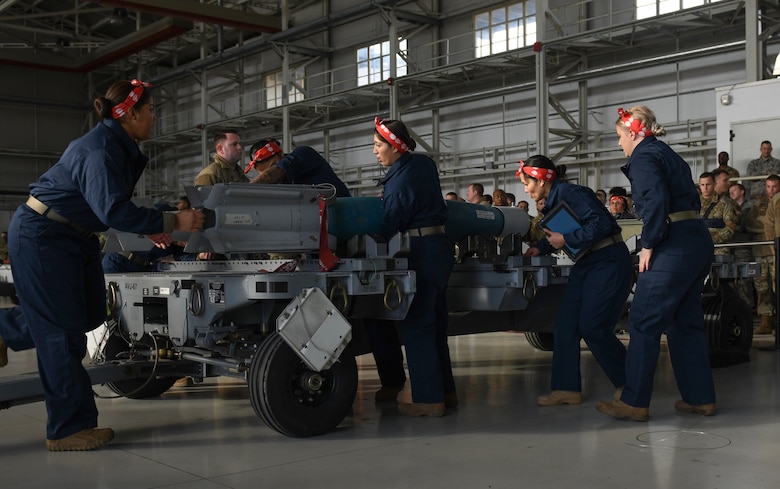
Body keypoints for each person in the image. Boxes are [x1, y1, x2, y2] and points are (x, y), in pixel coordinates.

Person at [0, 79, 204, 451]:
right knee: (61, 334)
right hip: (45, 234)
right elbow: (112, 209)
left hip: (72, 237)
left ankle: (4, 329)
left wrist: (151, 226)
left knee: (89, 313)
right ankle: (67, 428)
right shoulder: (100, 149)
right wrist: (173, 222)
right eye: (151, 110)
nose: (155, 117)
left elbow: (106, 205)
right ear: (131, 114)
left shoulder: (115, 145)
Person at [596, 106, 715, 422]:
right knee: (685, 322)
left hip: (670, 243)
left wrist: (648, 244)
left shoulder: (644, 157)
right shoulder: (666, 153)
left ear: (633, 132)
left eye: (620, 136)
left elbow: (657, 202)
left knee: (643, 321)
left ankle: (634, 401)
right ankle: (700, 398)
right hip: (696, 239)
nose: (619, 143)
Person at [519, 155, 631, 407]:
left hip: (607, 261)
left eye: (527, 183)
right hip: (586, 263)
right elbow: (563, 232)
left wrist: (566, 240)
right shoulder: (555, 200)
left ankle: (630, 385)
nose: (525, 189)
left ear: (540, 179)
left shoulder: (573, 192)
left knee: (593, 326)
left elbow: (601, 224)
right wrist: (541, 248)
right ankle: (566, 389)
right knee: (565, 323)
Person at [372, 117, 456, 417]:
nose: (375, 151)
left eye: (379, 145)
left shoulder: (400, 178)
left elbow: (391, 221)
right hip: (439, 247)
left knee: (417, 323)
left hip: (419, 250)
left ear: (395, 147)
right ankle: (446, 392)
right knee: (435, 324)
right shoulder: (423, 164)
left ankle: (428, 399)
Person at [245, 139, 350, 197]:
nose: (271, 180)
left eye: (273, 166)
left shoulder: (303, 154)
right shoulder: (281, 182)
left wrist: (242, 192)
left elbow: (269, 176)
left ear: (281, 154)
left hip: (341, 207)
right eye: (262, 173)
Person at [746, 175, 780, 334]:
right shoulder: (757, 204)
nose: (771, 190)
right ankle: (766, 321)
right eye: (768, 186)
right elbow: (750, 225)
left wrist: (766, 223)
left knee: (777, 286)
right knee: (761, 288)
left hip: (775, 252)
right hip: (760, 251)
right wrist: (767, 225)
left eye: (774, 186)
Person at [698, 172, 737, 255]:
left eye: (708, 184)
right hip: (697, 245)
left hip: (718, 247)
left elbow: (730, 227)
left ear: (714, 184)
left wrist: (714, 238)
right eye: (702, 185)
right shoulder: (693, 204)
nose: (705, 188)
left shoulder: (724, 203)